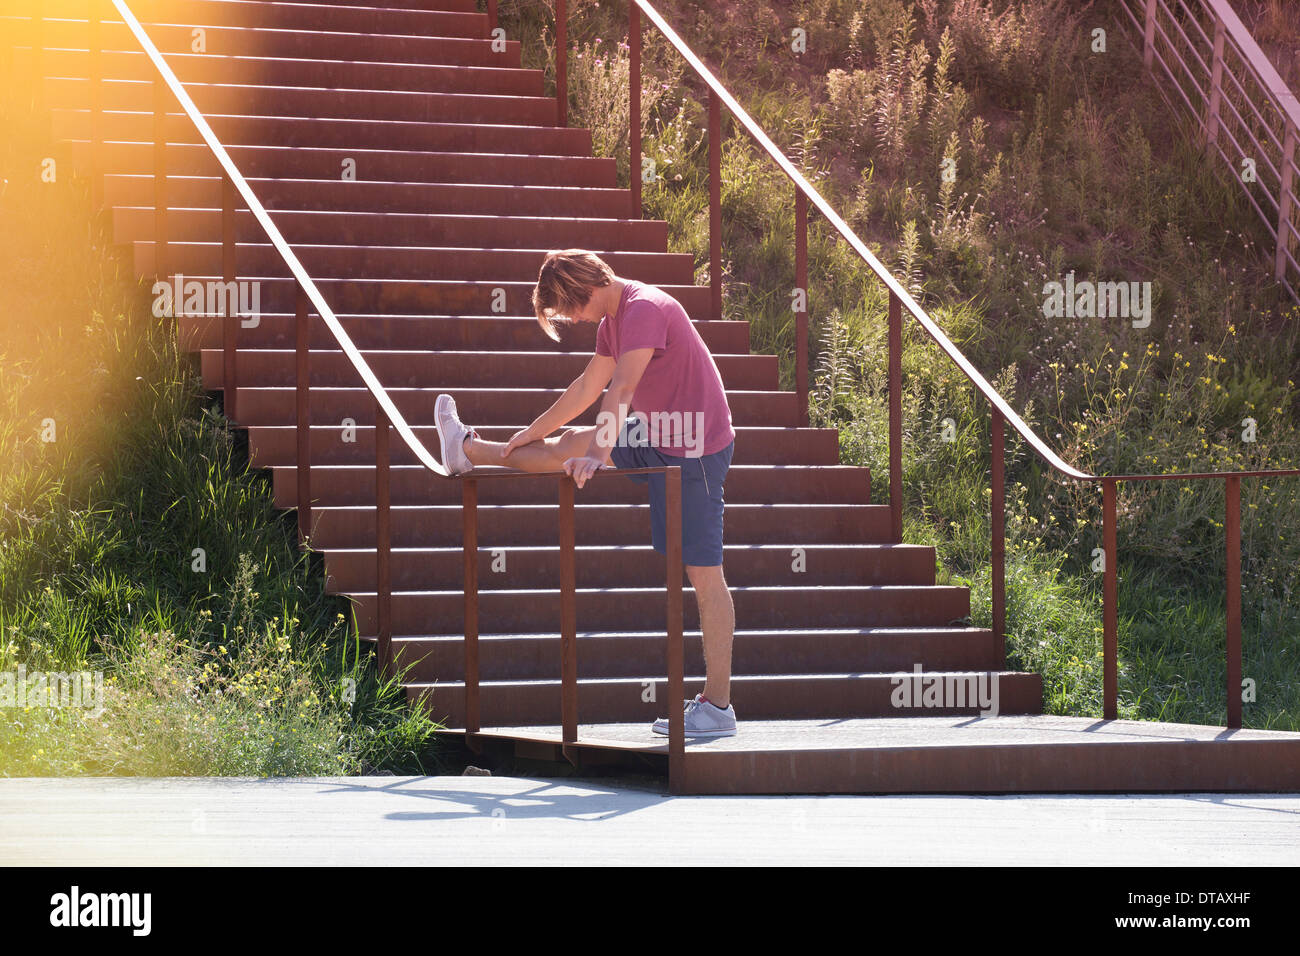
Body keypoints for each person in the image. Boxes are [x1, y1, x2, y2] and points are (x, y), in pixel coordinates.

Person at [432, 249, 738, 737]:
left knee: (704, 577)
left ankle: (717, 708)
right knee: (562, 447)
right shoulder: (613, 322)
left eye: (568, 309)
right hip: (660, 437)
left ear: (582, 292)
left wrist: (597, 455)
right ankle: (466, 448)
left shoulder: (644, 310)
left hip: (697, 448)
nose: (571, 319)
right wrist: (532, 432)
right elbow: (585, 389)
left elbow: (619, 391)